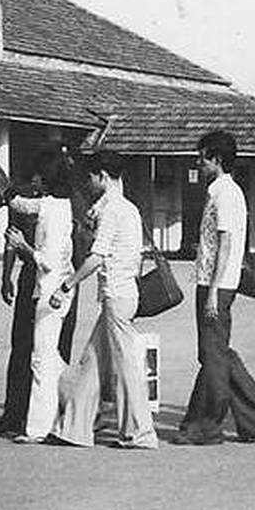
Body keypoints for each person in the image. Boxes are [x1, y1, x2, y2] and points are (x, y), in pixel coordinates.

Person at [176, 131, 255, 444]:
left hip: (215, 284)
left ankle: (207, 425)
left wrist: (211, 290)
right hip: (218, 282)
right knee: (217, 352)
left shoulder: (223, 192)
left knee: (211, 354)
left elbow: (225, 242)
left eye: (203, 157)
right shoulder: (228, 191)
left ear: (217, 159)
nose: (200, 162)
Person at [52, 151, 158, 449]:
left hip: (117, 295)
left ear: (101, 176)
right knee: (92, 362)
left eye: (90, 177)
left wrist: (67, 284)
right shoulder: (126, 208)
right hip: (124, 294)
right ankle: (73, 428)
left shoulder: (113, 211)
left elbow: (97, 257)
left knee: (125, 367)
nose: (88, 182)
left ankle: (141, 433)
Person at [0, 148, 80, 434]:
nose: (35, 178)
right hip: (58, 282)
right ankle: (32, 415)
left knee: (43, 355)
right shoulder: (61, 201)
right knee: (42, 352)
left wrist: (23, 249)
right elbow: (18, 211)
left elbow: (46, 257)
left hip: (50, 282)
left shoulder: (57, 206)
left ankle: (43, 422)